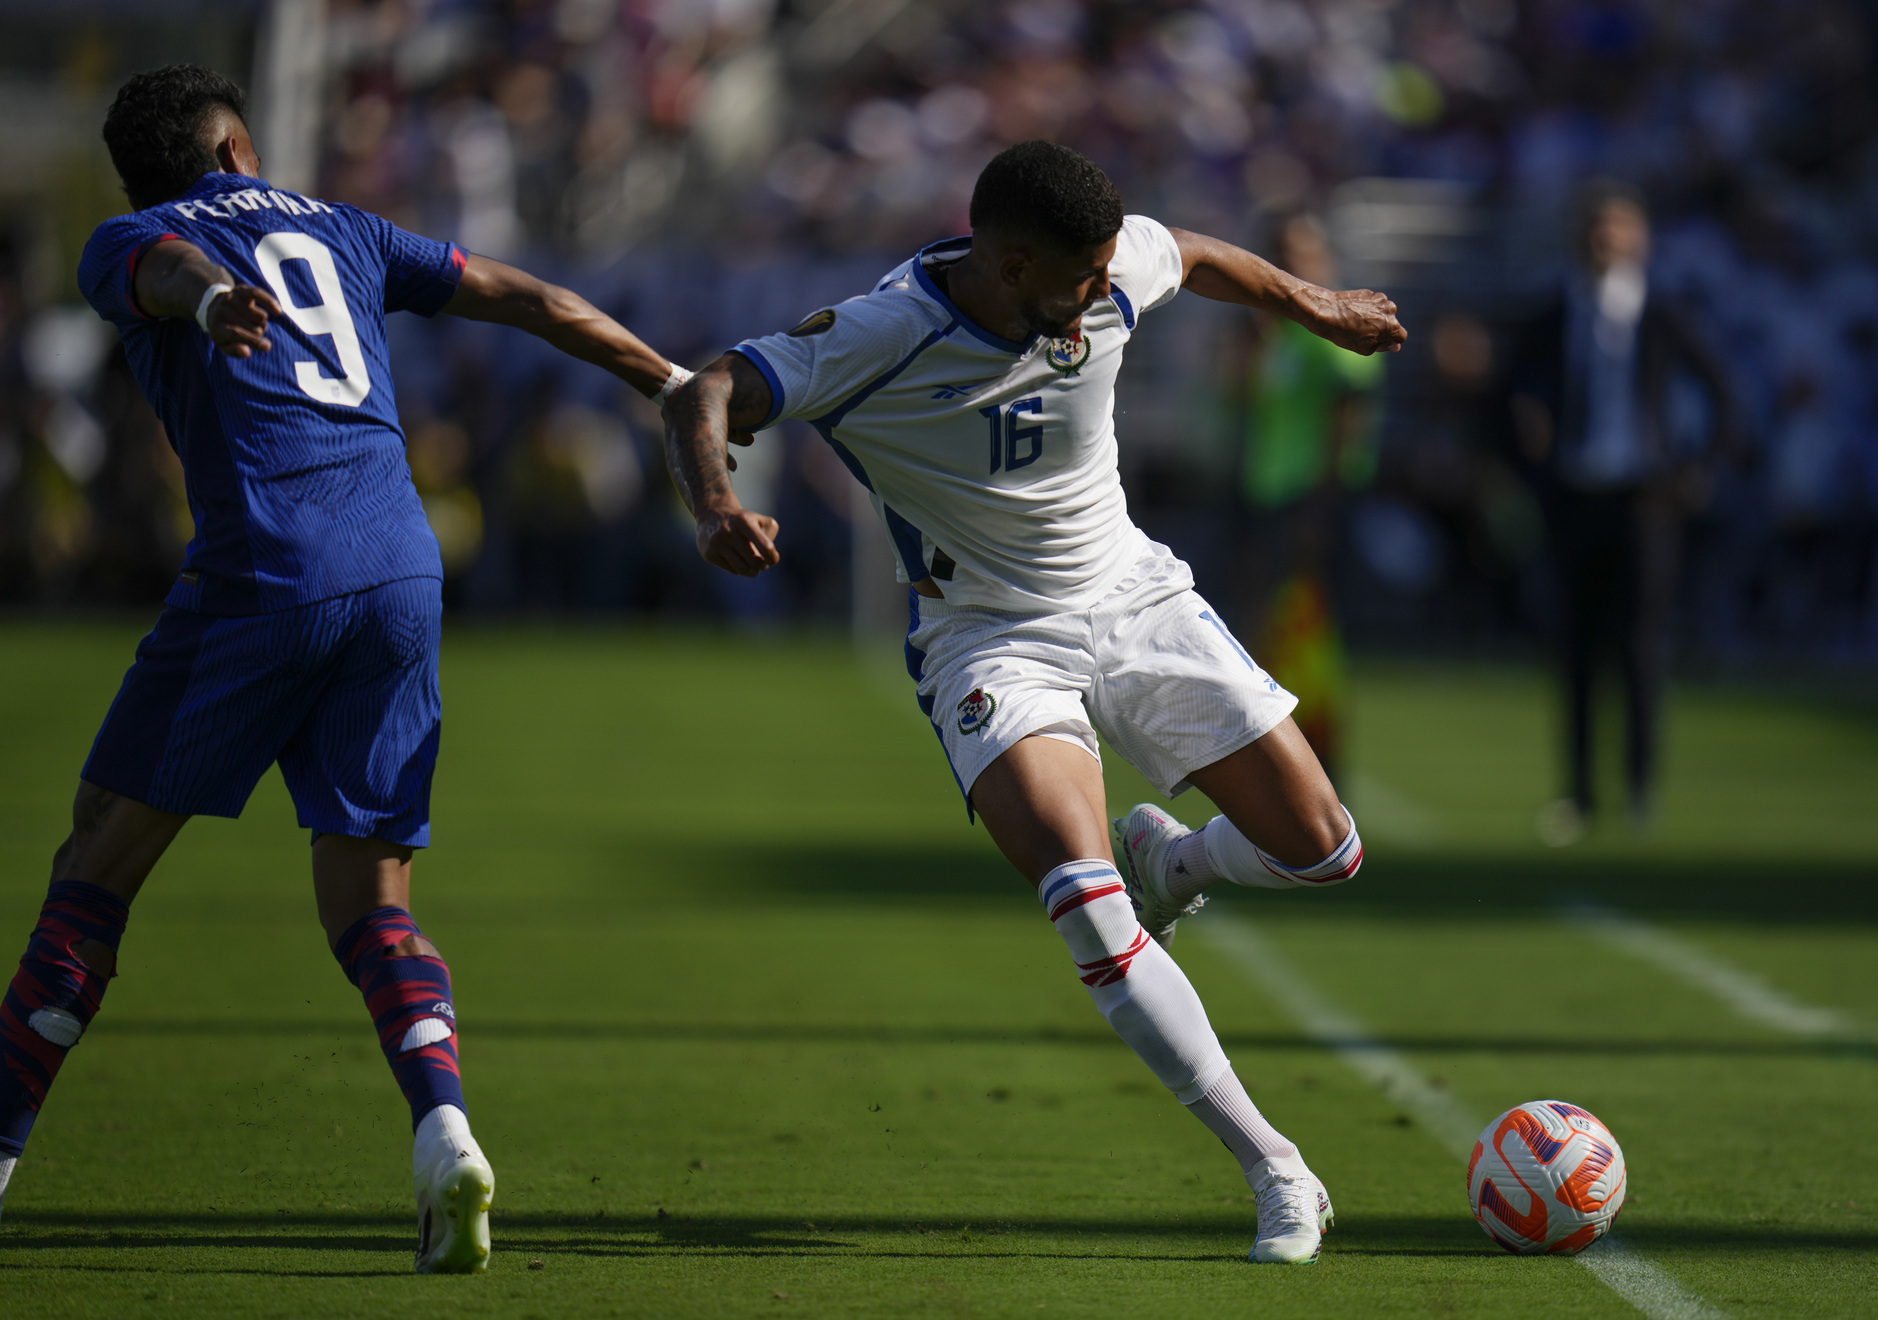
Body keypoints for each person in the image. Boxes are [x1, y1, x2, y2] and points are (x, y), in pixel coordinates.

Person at [0, 65, 702, 1272]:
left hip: (264, 572)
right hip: (401, 573)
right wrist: (673, 382)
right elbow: (526, 296)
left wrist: (214, 294)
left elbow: (167, 275)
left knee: (95, 862)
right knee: (372, 903)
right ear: (237, 151)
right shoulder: (347, 226)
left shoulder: (133, 238)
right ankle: (445, 1138)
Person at [663, 141, 1404, 1263]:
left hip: (1135, 595)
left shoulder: (1100, 270)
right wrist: (716, 502)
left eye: (1110, 268)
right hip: (991, 642)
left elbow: (1191, 254)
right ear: (1008, 268)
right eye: (1081, 276)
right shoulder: (881, 334)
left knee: (1326, 851)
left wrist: (1318, 305)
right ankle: (1276, 1168)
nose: (1105, 292)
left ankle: (1181, 864)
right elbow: (707, 387)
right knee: (1086, 902)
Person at [1507, 180, 1731, 844]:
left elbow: (1724, 394)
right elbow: (1508, 401)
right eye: (1598, 227)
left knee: (1639, 650)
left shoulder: (1662, 314)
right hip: (1576, 498)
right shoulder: (1551, 315)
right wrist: (1530, 466)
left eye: (1620, 227)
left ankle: (1638, 790)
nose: (1608, 240)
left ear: (1642, 239)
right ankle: (1578, 793)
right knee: (1574, 650)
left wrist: (1693, 472)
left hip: (1642, 501)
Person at [1235, 212, 1386, 776]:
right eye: (1280, 254)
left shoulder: (1335, 328)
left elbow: (1350, 417)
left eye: (1301, 253)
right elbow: (1235, 394)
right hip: (1264, 492)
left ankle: (1319, 762)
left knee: (1311, 630)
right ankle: (1270, 756)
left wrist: (1325, 503)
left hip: (1311, 500)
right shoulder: (1272, 334)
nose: (1291, 266)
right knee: (1262, 628)